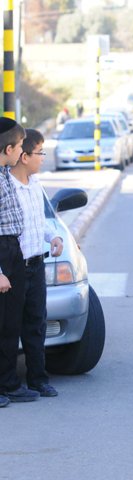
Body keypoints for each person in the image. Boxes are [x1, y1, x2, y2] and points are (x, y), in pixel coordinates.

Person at [10, 129, 63, 398]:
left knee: (36, 324)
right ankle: (9, 384)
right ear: (23, 156)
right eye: (39, 152)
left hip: (36, 265)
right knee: (8, 328)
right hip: (13, 268)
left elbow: (39, 223)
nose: (43, 157)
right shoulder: (7, 187)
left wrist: (54, 237)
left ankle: (38, 379)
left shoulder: (35, 185)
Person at [0, 118, 39, 407]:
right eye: (19, 147)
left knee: (10, 325)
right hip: (2, 252)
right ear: (10, 149)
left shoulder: (4, 174)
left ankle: (9, 384)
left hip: (13, 249)